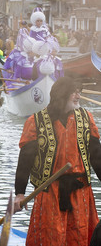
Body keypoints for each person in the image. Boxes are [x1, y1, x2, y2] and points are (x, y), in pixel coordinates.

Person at [13, 77, 101, 246]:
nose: (78, 96)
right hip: (49, 190)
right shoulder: (36, 121)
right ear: (62, 94)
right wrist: (20, 193)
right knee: (50, 238)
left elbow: (97, 156)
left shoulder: (85, 118)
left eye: (79, 92)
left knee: (79, 237)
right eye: (74, 92)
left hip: (80, 189)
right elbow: (26, 159)